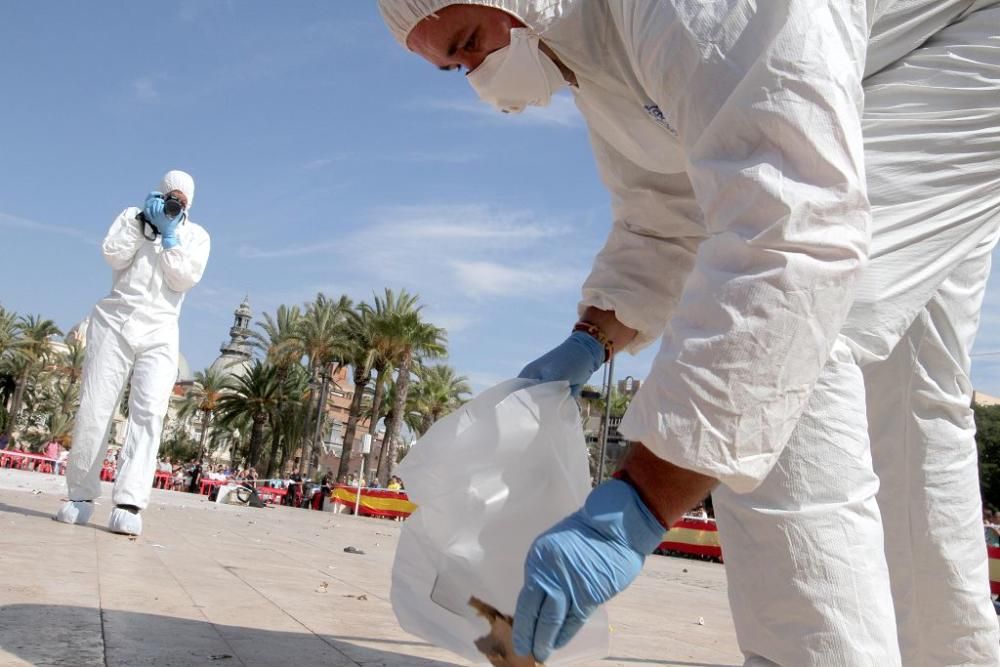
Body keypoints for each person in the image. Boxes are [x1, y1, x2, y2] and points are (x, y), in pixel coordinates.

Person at [378, 1, 1000, 664]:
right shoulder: (590, 48)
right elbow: (667, 214)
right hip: (906, 54)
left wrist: (638, 504)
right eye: (455, 67)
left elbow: (790, 238)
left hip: (972, 36)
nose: (477, 75)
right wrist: (592, 338)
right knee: (908, 400)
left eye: (471, 42)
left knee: (795, 343)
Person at [55, 170, 210, 537]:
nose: (175, 204)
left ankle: (129, 502)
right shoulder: (131, 217)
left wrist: (169, 237)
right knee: (95, 407)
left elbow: (183, 278)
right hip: (114, 319)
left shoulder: (196, 236)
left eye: (181, 200)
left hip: (161, 329)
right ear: (158, 193)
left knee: (149, 412)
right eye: (170, 196)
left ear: (189, 203)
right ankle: (80, 496)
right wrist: (142, 224)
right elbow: (112, 255)